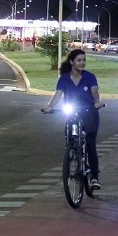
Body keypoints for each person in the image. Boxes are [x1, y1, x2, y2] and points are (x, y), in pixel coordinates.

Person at [42, 49, 104, 190]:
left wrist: (97, 102)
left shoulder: (89, 77)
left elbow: (95, 91)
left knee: (90, 144)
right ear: (72, 62)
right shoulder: (64, 78)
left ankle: (94, 177)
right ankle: (74, 157)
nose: (82, 63)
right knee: (70, 140)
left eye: (84, 60)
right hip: (72, 113)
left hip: (89, 113)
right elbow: (58, 94)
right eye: (79, 60)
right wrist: (50, 106)